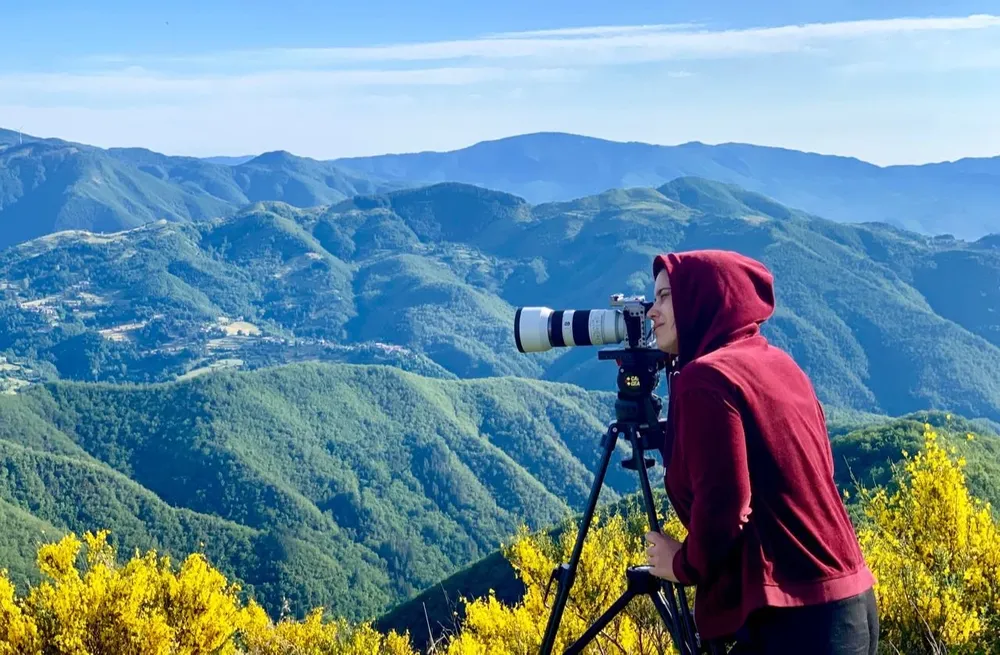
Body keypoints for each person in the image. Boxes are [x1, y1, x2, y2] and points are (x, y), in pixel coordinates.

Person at [642, 249, 879, 654]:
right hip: (850, 599)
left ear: (700, 299)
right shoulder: (780, 365)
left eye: (665, 296)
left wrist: (681, 566)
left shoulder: (706, 378)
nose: (651, 311)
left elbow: (726, 506)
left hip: (793, 619)